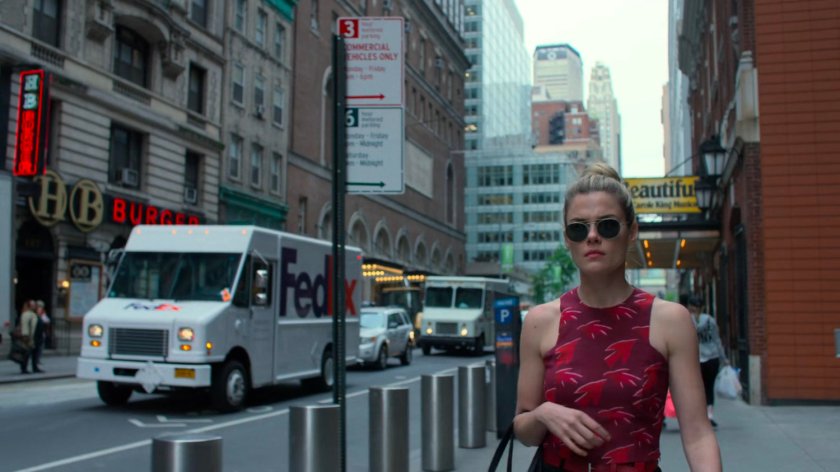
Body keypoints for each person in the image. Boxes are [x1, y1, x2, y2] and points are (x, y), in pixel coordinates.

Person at [513, 163, 722, 471]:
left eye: (607, 225)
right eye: (579, 228)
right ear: (568, 239)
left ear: (632, 231)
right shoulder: (540, 321)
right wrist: (544, 413)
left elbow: (697, 434)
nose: (593, 236)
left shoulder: (670, 320)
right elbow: (523, 429)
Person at [687, 295, 728, 427]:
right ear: (702, 307)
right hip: (712, 358)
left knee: (697, 389)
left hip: (696, 360)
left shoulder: (688, 321)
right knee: (709, 388)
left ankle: (699, 417)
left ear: (690, 307)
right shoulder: (710, 321)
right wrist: (723, 358)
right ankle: (709, 415)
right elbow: (717, 340)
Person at [17, 300, 39, 374]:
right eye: (33, 305)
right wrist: (25, 335)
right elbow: (25, 325)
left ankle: (35, 367)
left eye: (34, 305)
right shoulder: (26, 314)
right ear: (29, 306)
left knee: (34, 353)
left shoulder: (34, 314)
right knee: (26, 353)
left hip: (35, 336)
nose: (34, 306)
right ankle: (24, 368)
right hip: (28, 337)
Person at [30, 300, 50, 373]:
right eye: (39, 307)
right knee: (34, 352)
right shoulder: (34, 316)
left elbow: (47, 321)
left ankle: (35, 366)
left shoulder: (40, 315)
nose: (40, 309)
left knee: (37, 352)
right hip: (35, 337)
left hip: (39, 337)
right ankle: (32, 366)